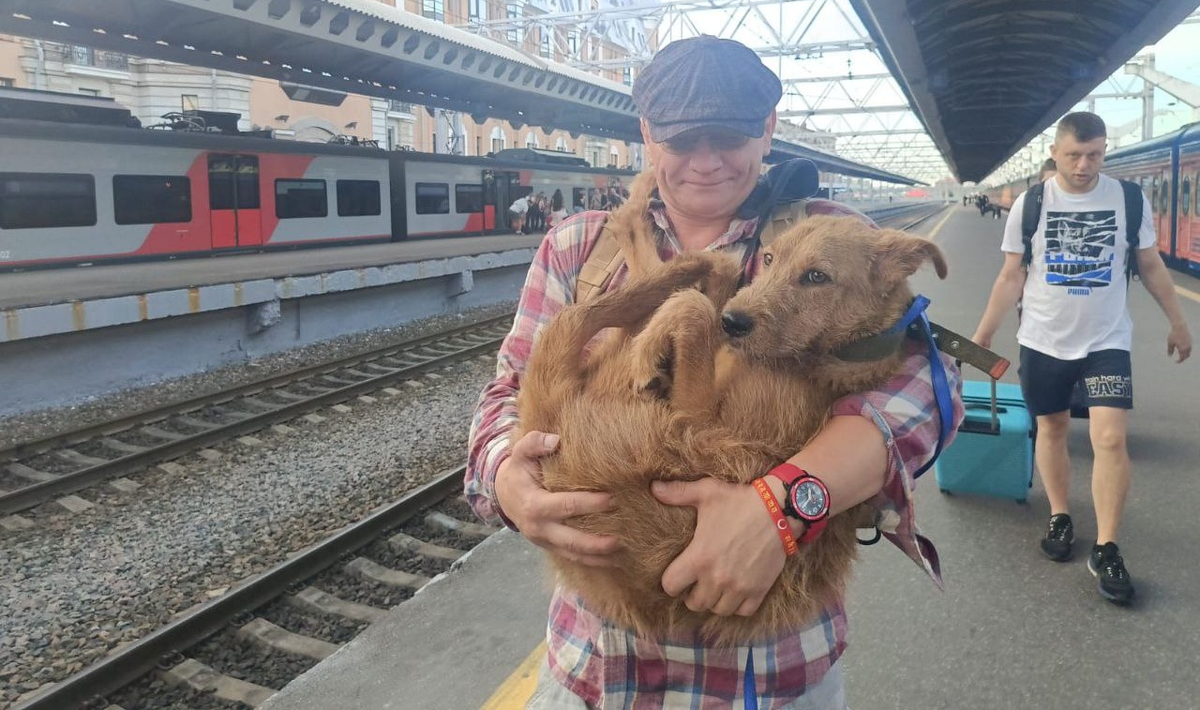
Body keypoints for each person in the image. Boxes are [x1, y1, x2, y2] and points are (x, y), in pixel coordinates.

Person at [467, 34, 963, 708]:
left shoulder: (828, 235)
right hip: (595, 662)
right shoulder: (580, 246)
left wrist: (784, 505)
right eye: (680, 140)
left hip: (770, 670)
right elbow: (507, 391)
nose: (704, 162)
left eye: (727, 137)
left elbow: (927, 394)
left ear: (766, 130)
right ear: (646, 134)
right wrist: (507, 476)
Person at [972, 110, 1192, 605]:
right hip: (1043, 339)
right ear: (1055, 152)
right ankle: (1060, 515)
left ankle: (1108, 546)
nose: (1084, 165)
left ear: (1104, 151)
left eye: (1094, 154)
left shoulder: (1129, 200)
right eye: (1074, 155)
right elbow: (1012, 276)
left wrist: (1179, 321)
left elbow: (1151, 264)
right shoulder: (1029, 205)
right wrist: (984, 332)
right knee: (1050, 429)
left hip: (1106, 342)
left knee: (1110, 438)